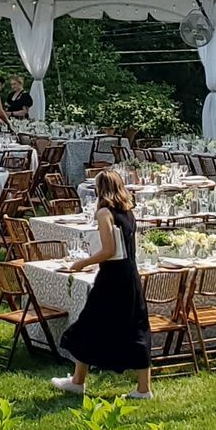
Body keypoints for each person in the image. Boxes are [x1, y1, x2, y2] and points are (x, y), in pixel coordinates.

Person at [52, 169, 153, 400]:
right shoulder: (128, 211)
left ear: (100, 189)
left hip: (112, 278)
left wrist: (83, 262)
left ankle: (78, 381)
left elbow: (108, 250)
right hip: (130, 273)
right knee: (136, 326)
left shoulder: (104, 213)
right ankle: (143, 388)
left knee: (90, 322)